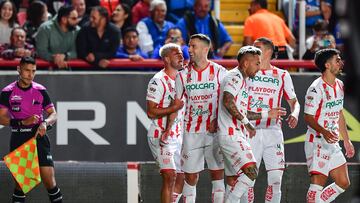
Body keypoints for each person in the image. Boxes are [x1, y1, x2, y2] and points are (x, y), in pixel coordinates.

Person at [217, 45, 287, 203]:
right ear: (246, 63)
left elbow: (241, 110)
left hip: (235, 134)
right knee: (251, 171)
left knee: (239, 177)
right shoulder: (234, 76)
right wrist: (246, 123)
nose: (259, 67)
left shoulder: (242, 81)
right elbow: (228, 102)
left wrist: (266, 114)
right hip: (230, 135)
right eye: (257, 63)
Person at [240, 37, 300, 203]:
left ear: (267, 51)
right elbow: (237, 106)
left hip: (273, 132)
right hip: (249, 131)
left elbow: (295, 103)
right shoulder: (245, 73)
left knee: (275, 179)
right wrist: (267, 113)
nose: (252, 50)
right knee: (247, 180)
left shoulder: (282, 75)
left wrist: (294, 114)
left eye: (256, 47)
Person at [172, 34, 227, 203]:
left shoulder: (220, 72)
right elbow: (176, 104)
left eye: (193, 46)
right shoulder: (182, 75)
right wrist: (169, 129)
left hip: (214, 132)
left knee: (217, 175)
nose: (189, 50)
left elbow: (228, 101)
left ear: (205, 49)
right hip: (191, 132)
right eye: (189, 46)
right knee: (190, 177)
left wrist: (217, 119)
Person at [0, 56, 63, 203]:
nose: (30, 74)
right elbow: (1, 117)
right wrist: (22, 122)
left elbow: (53, 114)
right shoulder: (7, 92)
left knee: (50, 182)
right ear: (18, 70)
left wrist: (45, 124)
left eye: (33, 71)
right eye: (27, 70)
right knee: (21, 185)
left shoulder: (40, 90)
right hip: (19, 138)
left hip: (39, 138)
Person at [303, 48, 355, 203]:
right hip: (317, 141)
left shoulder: (339, 85)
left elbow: (339, 113)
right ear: (327, 65)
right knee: (316, 187)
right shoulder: (316, 88)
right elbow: (308, 117)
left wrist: (346, 140)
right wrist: (324, 132)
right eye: (337, 60)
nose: (341, 63)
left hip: (332, 142)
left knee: (343, 182)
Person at [146, 43, 185, 203]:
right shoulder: (158, 81)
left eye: (182, 54)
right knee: (170, 175)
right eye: (177, 54)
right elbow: (151, 112)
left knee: (182, 176)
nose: (182, 56)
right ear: (167, 59)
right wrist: (173, 108)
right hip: (160, 134)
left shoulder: (182, 79)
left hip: (178, 135)